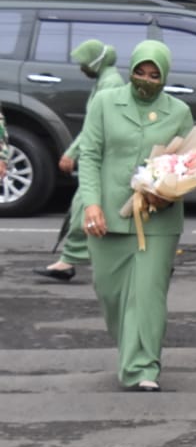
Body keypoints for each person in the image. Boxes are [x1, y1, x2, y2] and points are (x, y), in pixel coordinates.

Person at [78, 40, 193, 392]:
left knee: (147, 295)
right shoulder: (105, 103)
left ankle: (142, 367)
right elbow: (89, 155)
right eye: (140, 72)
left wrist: (168, 190)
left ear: (165, 76)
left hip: (158, 219)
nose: (146, 79)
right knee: (111, 294)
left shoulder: (179, 111)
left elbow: (190, 164)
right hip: (109, 214)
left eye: (154, 74)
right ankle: (129, 347)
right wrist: (91, 204)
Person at [36, 39, 125, 282]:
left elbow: (94, 127)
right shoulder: (105, 81)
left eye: (84, 63)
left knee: (84, 207)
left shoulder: (110, 84)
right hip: (102, 156)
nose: (81, 68)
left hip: (101, 158)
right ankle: (70, 260)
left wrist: (72, 153)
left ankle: (68, 262)